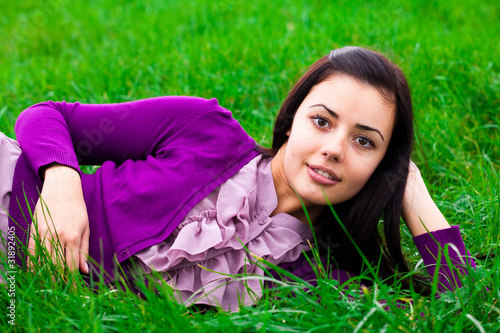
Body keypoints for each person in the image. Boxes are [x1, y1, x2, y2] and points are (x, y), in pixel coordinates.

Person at [0, 46, 475, 311]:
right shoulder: (204, 130)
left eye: (365, 142)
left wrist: (414, 193)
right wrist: (61, 185)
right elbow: (47, 117)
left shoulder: (322, 279)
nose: (333, 148)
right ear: (292, 120)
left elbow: (463, 310)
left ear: (381, 167)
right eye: (323, 121)